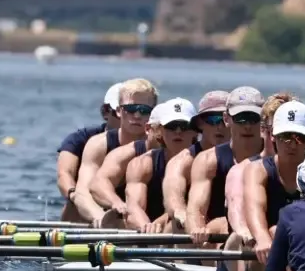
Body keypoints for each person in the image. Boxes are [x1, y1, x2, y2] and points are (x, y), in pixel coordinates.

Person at [233, 98, 305, 267]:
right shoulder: (257, 170)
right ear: (273, 136)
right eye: (285, 136)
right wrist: (263, 239)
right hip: (266, 250)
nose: (292, 145)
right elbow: (254, 208)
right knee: (273, 232)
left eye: (300, 137)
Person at [184, 86, 264, 245]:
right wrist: (197, 229)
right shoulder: (207, 160)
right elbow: (195, 210)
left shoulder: (272, 157)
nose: (247, 125)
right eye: (241, 118)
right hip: (216, 238)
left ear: (263, 120)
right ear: (227, 119)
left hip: (261, 235)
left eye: (253, 118)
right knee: (219, 224)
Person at [73, 78, 157, 227]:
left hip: (148, 218)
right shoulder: (98, 145)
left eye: (144, 111)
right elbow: (82, 193)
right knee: (72, 204)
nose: (137, 116)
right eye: (130, 109)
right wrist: (100, 217)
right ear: (118, 111)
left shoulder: (159, 144)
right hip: (107, 215)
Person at [124, 98, 200, 232]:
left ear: (195, 131)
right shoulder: (142, 164)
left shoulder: (205, 161)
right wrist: (146, 227)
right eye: (171, 126)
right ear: (160, 131)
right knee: (114, 218)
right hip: (150, 230)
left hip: (189, 228)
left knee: (175, 224)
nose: (178, 131)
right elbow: (134, 206)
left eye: (184, 126)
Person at [163, 90, 233, 232]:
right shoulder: (183, 161)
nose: (219, 126)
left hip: (228, 227)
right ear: (200, 123)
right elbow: (173, 197)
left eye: (224, 120)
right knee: (176, 225)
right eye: (212, 120)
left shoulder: (248, 156)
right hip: (192, 230)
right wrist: (181, 214)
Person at [55, 83, 122, 222]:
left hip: (125, 205)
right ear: (105, 112)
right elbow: (64, 174)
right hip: (85, 203)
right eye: (119, 112)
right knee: (75, 201)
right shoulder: (80, 139)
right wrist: (74, 196)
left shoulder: (151, 142)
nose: (128, 118)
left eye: (138, 111)